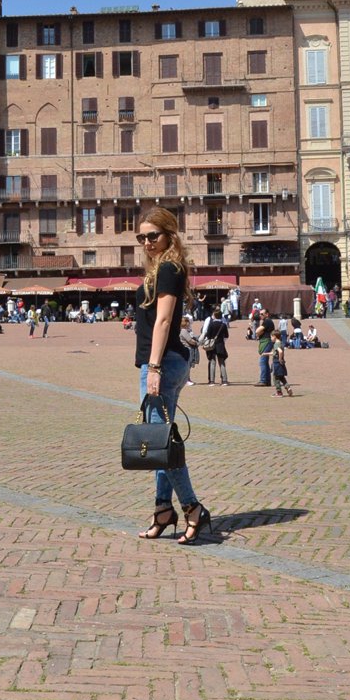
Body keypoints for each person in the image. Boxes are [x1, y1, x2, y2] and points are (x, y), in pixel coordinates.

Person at [133, 208, 210, 545]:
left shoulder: (168, 267)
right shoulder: (165, 268)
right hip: (168, 361)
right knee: (160, 441)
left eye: (153, 235)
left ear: (169, 235)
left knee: (161, 443)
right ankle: (163, 509)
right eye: (142, 237)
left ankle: (192, 508)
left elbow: (164, 321)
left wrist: (153, 367)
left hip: (163, 363)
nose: (147, 242)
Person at [200, 306, 230, 385]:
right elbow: (226, 336)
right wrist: (222, 341)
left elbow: (208, 335)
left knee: (212, 362)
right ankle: (224, 380)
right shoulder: (223, 325)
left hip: (212, 345)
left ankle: (212, 381)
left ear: (214, 315)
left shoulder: (211, 324)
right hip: (220, 344)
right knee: (222, 362)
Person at [179, 314, 200, 385]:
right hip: (187, 349)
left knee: (188, 365)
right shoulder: (184, 331)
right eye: (187, 321)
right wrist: (197, 342)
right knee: (187, 365)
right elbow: (190, 340)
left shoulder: (185, 330)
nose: (189, 323)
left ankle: (188, 379)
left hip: (187, 349)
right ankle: (186, 380)